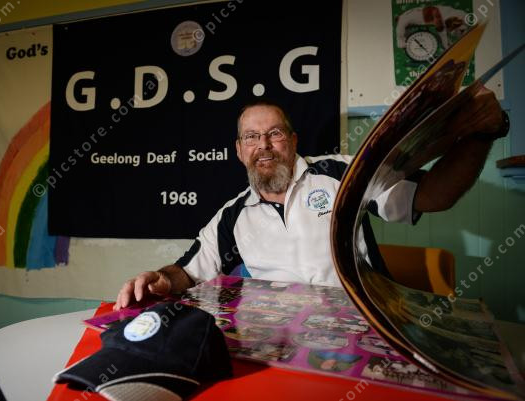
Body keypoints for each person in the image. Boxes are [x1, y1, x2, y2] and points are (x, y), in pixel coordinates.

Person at [114, 87, 509, 310]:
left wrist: (480, 134)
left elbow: (432, 196)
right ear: (239, 150)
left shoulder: (339, 173)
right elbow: (188, 271)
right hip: (282, 346)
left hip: (367, 327)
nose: (264, 145)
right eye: (251, 137)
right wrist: (160, 278)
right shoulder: (231, 217)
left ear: (293, 140)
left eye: (275, 133)